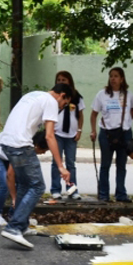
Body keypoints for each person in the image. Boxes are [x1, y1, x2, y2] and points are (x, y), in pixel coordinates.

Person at [0, 84, 72, 248]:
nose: (62, 107)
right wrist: (61, 166)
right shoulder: (51, 102)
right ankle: (14, 227)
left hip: (7, 143)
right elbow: (49, 136)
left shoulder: (33, 95)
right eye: (64, 104)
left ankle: (22, 226)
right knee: (38, 186)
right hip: (20, 145)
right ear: (61, 95)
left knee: (25, 185)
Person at [0, 131, 49, 226]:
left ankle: (14, 215)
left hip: (4, 156)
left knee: (23, 182)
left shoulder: (29, 146)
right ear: (37, 146)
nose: (43, 153)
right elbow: (10, 175)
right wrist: (14, 198)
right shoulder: (22, 147)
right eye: (44, 150)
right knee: (5, 185)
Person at [90, 67, 133, 203]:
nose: (113, 79)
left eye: (116, 76)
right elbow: (94, 114)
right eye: (111, 76)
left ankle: (121, 194)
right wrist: (93, 130)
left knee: (121, 165)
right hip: (106, 133)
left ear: (122, 79)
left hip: (124, 134)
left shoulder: (128, 95)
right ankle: (104, 194)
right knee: (105, 164)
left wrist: (126, 123)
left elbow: (132, 110)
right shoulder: (102, 94)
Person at [51, 71, 84, 200]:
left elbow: (80, 115)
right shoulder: (54, 97)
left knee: (71, 163)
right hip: (57, 134)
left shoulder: (76, 97)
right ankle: (55, 189)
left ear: (69, 81)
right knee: (56, 163)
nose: (61, 82)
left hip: (71, 135)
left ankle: (72, 190)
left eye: (63, 80)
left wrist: (79, 130)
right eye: (58, 80)